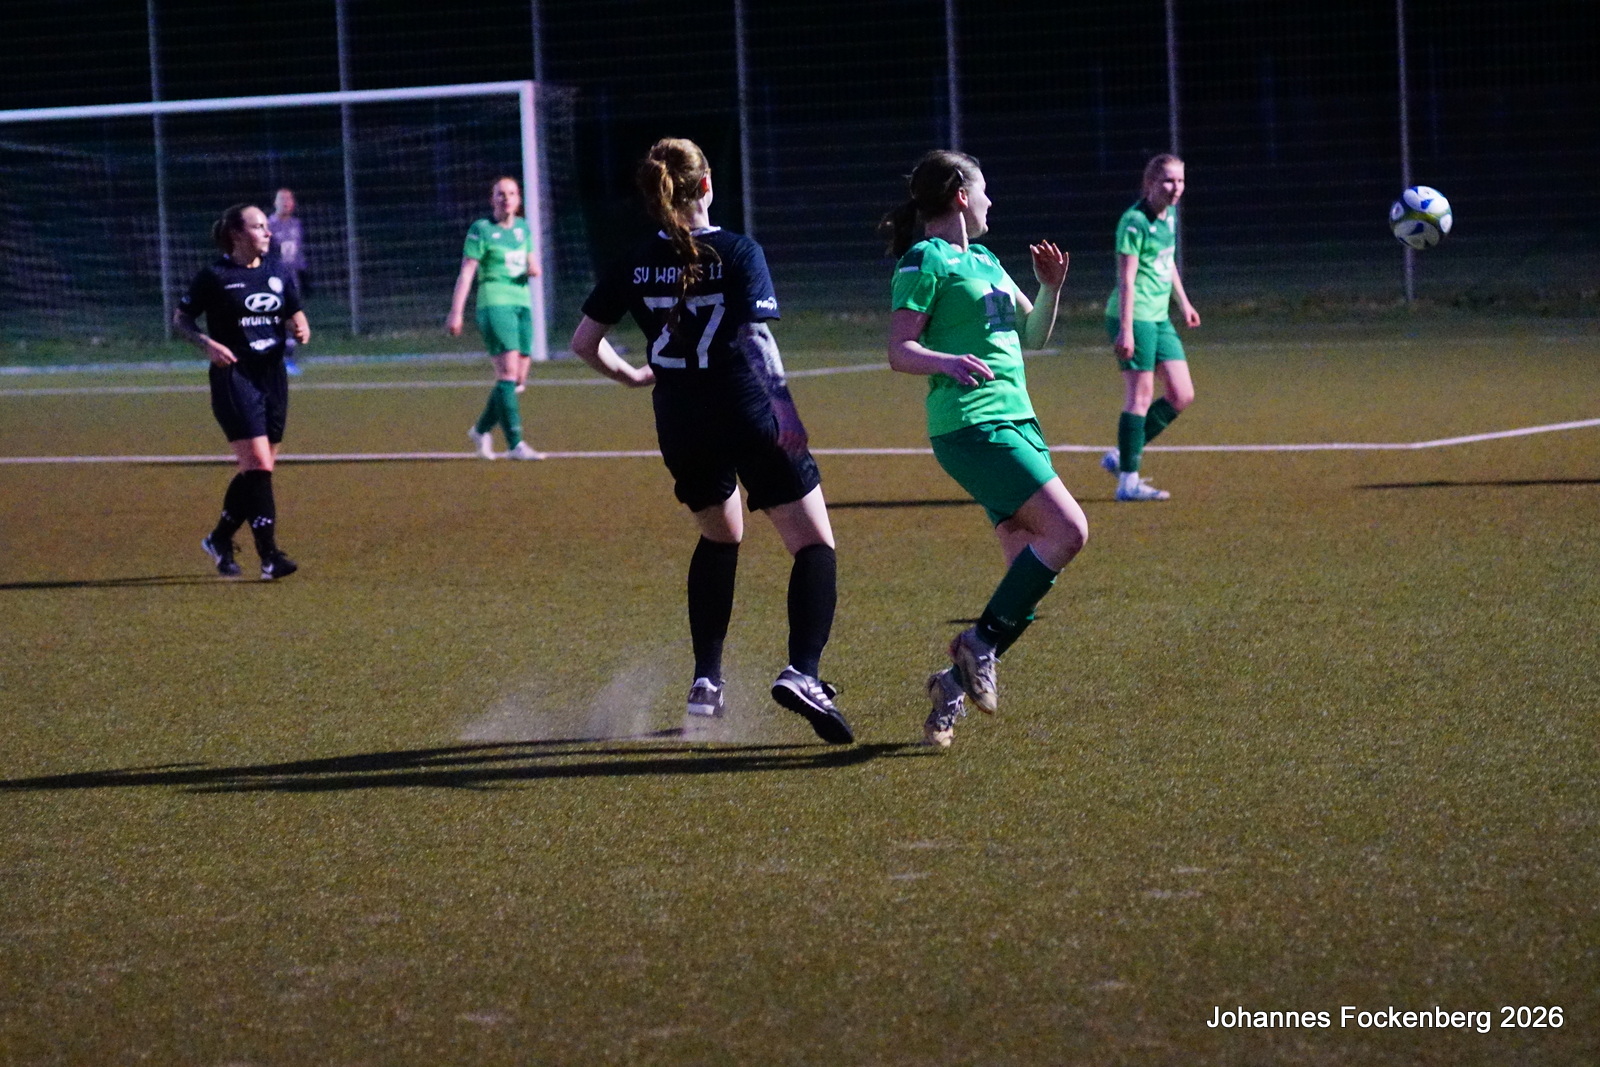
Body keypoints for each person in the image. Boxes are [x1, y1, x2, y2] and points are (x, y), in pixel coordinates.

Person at [570, 137, 853, 745]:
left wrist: (634, 375)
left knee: (720, 538)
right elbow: (755, 337)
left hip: (680, 422)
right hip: (746, 412)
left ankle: (706, 683)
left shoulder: (635, 259)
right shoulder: (738, 251)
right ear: (705, 186)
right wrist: (785, 409)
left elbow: (583, 342)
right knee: (813, 545)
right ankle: (803, 673)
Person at [883, 150, 1087, 748]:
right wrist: (947, 361)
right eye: (985, 189)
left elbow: (1032, 335)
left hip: (1019, 422)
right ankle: (976, 645)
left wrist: (1050, 289)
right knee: (1069, 530)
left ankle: (951, 686)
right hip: (972, 425)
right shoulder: (925, 259)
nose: (992, 200)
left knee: (1027, 579)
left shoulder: (988, 261)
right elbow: (899, 350)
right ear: (960, 196)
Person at [175, 203, 309, 581]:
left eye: (267, 226)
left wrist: (300, 326)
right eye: (259, 226)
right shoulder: (215, 276)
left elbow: (294, 311)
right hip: (234, 376)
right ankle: (270, 557)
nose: (268, 232)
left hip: (272, 376)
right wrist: (207, 344)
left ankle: (219, 538)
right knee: (259, 467)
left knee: (258, 471)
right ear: (237, 234)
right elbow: (181, 320)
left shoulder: (277, 270)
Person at [1100, 153, 1200, 501]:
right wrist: (1126, 330)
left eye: (1180, 181)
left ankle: (1122, 455)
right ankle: (1128, 482)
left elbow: (1166, 262)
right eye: (1168, 181)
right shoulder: (1134, 221)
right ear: (1150, 183)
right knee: (1140, 396)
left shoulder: (1169, 215)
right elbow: (1126, 279)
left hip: (1158, 316)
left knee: (1181, 394)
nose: (1176, 188)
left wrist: (1183, 303)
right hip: (1134, 316)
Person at [446, 176, 545, 460]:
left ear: (519, 199)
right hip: (495, 304)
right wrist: (456, 312)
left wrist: (533, 267)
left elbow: (532, 261)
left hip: (522, 305)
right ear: (492, 199)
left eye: (511, 193)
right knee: (507, 374)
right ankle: (516, 445)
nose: (506, 198)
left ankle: (480, 430)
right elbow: (467, 272)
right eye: (500, 194)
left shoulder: (523, 228)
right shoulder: (482, 229)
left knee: (518, 378)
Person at [267, 187, 308, 376]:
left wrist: (303, 273)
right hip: (272, 278)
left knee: (292, 318)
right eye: (281, 199)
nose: (286, 203)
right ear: (275, 203)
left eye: (289, 199)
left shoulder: (296, 224)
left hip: (291, 278)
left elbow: (297, 251)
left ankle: (288, 359)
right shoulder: (268, 225)